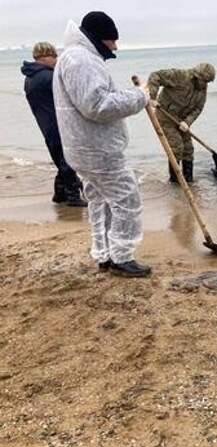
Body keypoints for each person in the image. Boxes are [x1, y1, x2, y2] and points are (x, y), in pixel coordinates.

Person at [53, 11, 152, 277]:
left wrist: (130, 94)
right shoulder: (81, 59)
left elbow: (98, 96)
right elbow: (97, 105)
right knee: (125, 199)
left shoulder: (75, 56)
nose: (115, 47)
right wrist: (139, 99)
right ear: (100, 38)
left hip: (83, 148)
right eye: (112, 41)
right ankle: (122, 257)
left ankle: (105, 254)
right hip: (96, 150)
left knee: (101, 201)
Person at [21, 42, 86, 207]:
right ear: (44, 56)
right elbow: (69, 96)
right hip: (58, 123)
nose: (57, 60)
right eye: (54, 56)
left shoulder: (30, 78)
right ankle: (73, 196)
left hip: (45, 124)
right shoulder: (49, 77)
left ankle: (60, 193)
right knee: (67, 159)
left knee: (60, 158)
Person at [147, 63, 216, 183]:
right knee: (177, 146)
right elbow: (155, 76)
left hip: (182, 120)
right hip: (165, 116)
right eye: (203, 81)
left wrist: (187, 122)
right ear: (196, 76)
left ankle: (188, 181)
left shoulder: (202, 89)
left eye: (207, 82)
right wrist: (152, 97)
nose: (205, 84)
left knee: (188, 149)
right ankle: (175, 181)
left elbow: (198, 108)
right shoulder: (179, 76)